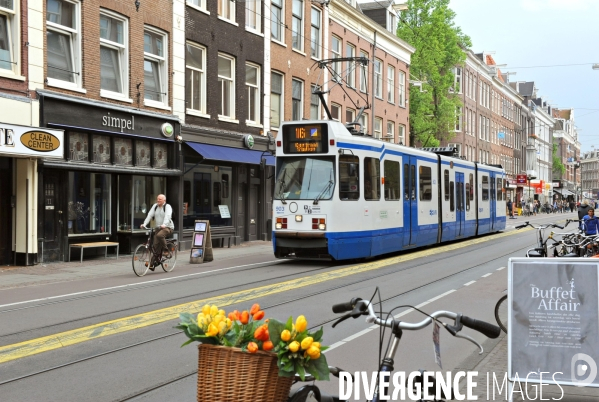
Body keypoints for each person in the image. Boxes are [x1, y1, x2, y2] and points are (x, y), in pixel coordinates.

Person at [141, 194, 174, 270]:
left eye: (160, 199)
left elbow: (167, 216)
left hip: (168, 227)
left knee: (159, 236)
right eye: (157, 199)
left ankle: (166, 250)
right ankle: (152, 264)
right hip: (158, 228)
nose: (158, 200)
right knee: (155, 246)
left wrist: (164, 224)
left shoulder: (167, 207)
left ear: (164, 200)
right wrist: (144, 224)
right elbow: (149, 215)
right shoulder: (155, 206)